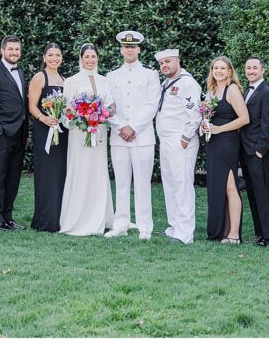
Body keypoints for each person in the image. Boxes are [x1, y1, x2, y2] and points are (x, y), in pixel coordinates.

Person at [105, 31, 161, 240]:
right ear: (121, 49)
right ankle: (120, 224)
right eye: (126, 46)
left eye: (133, 46)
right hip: (119, 137)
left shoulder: (150, 73)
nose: (129, 49)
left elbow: (152, 104)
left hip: (142, 137)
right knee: (121, 181)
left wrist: (134, 127)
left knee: (142, 182)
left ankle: (145, 226)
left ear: (138, 49)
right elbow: (108, 105)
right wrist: (121, 126)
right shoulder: (112, 75)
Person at [59, 43, 116, 236]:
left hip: (99, 131)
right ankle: (79, 218)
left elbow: (110, 105)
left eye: (93, 56)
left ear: (97, 58)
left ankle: (100, 217)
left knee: (98, 170)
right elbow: (66, 109)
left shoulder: (104, 80)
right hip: (79, 133)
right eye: (87, 57)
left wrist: (102, 114)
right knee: (81, 170)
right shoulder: (72, 81)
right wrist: (80, 118)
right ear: (81, 59)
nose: (90, 60)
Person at [0, 36, 29, 231]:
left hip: (19, 134)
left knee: (13, 178)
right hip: (1, 135)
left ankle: (8, 215)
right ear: (2, 51)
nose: (14, 53)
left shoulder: (21, 72)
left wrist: (25, 134)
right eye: (10, 49)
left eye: (17, 49)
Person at [154, 48, 201, 245]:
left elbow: (195, 113)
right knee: (171, 184)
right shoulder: (167, 83)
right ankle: (174, 227)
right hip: (165, 142)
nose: (165, 66)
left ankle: (185, 233)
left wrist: (184, 138)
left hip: (180, 142)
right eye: (161, 63)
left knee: (182, 185)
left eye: (168, 62)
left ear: (178, 61)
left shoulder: (188, 83)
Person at [202, 56, 250, 243]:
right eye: (216, 68)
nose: (219, 71)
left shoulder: (232, 90)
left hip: (227, 142)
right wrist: (205, 125)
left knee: (230, 187)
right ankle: (221, 230)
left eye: (223, 68)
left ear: (230, 71)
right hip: (213, 143)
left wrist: (219, 129)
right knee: (217, 187)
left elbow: (244, 118)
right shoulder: (212, 90)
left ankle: (234, 234)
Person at [27, 43, 68, 232]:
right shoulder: (39, 77)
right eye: (50, 55)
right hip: (44, 131)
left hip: (62, 132)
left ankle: (59, 217)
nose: (54, 58)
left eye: (57, 55)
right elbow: (32, 106)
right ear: (44, 57)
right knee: (46, 174)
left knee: (60, 174)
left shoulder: (64, 79)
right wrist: (44, 118)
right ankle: (44, 219)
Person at [240, 56, 269, 247]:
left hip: (258, 151)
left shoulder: (267, 92)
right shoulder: (246, 90)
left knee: (262, 192)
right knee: (253, 194)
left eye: (255, 68)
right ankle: (260, 233)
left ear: (263, 70)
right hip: (246, 150)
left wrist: (260, 150)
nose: (251, 71)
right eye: (248, 68)